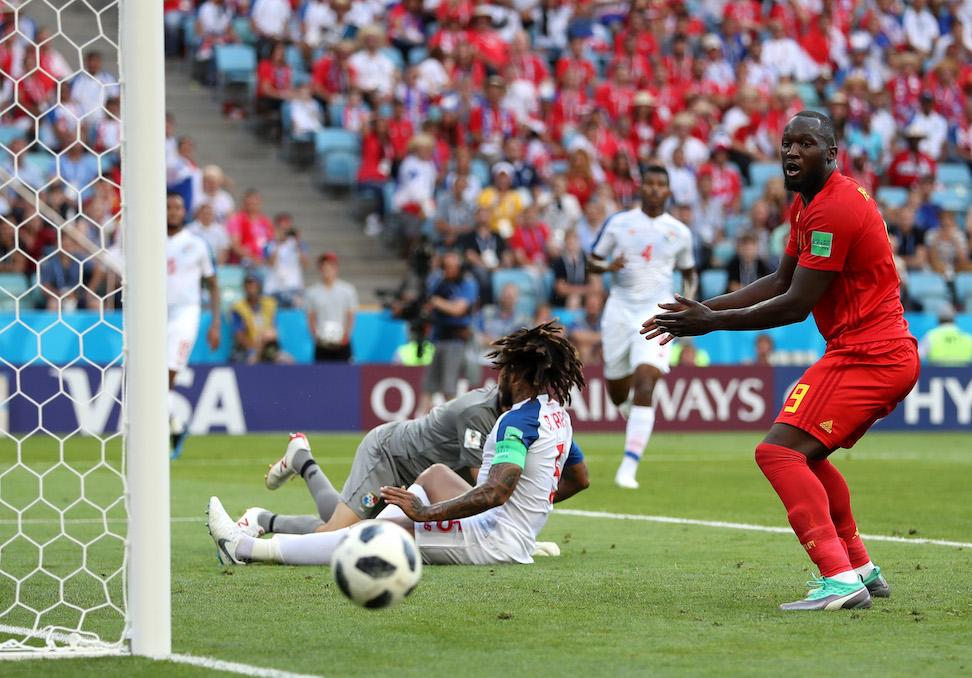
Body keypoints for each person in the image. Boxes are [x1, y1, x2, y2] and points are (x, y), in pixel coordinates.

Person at [643, 111, 920, 611]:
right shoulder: (809, 204)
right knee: (805, 455)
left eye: (806, 144)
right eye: (787, 143)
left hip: (871, 354)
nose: (792, 152)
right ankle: (857, 566)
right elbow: (777, 281)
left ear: (831, 154)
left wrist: (712, 324)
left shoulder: (834, 209)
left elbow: (794, 306)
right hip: (869, 351)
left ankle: (838, 579)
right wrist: (707, 307)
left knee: (777, 453)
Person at [207, 322, 589, 566]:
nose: (498, 373)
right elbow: (578, 479)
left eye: (504, 367)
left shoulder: (514, 420)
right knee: (435, 476)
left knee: (359, 536)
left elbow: (493, 492)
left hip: (492, 537)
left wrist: (423, 514)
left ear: (517, 373)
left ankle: (243, 546)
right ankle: (305, 469)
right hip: (391, 456)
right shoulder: (558, 415)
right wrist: (529, 513)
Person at [586, 165, 697, 489]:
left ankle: (628, 467)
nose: (654, 189)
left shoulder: (679, 231)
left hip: (657, 311)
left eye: (660, 184)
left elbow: (690, 272)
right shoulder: (620, 223)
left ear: (668, 191)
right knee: (618, 394)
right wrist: (608, 266)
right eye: (649, 183)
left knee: (646, 384)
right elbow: (592, 260)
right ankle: (630, 410)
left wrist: (686, 303)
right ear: (641, 188)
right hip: (619, 312)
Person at [166, 192, 221, 459]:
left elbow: (213, 284)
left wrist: (216, 324)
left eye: (177, 207)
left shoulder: (197, 244)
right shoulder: (151, 241)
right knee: (154, 379)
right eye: (168, 207)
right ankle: (176, 424)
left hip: (186, 315)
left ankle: (173, 425)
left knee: (167, 373)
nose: (173, 211)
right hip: (154, 316)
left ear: (184, 211)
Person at [418, 250, 479, 414]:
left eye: (451, 267)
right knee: (429, 384)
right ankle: (418, 422)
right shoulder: (438, 282)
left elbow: (459, 309)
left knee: (450, 384)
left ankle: (452, 422)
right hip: (439, 337)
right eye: (445, 267)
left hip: (456, 339)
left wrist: (436, 302)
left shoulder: (467, 283)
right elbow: (426, 303)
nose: (448, 270)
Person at [306, 251, 358, 362]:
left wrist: (346, 336)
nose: (327, 270)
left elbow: (350, 316)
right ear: (319, 270)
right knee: (321, 376)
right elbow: (311, 317)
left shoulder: (347, 290)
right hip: (322, 343)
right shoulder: (312, 292)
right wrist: (316, 337)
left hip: (342, 342)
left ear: (336, 268)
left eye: (330, 267)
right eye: (324, 267)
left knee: (345, 375)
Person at [229, 273, 293, 365]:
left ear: (259, 286)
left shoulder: (269, 304)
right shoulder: (238, 308)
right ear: (244, 287)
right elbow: (240, 336)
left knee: (287, 360)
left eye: (254, 284)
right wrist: (256, 349)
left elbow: (273, 330)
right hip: (249, 349)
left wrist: (267, 342)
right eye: (248, 284)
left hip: (268, 347)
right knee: (250, 361)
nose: (251, 288)